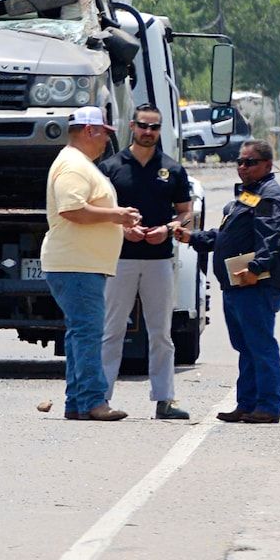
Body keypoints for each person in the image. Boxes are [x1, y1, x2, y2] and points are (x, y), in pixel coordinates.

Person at [176, 139, 280, 424]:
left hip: (256, 283)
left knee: (260, 345)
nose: (242, 167)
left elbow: (272, 238)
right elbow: (226, 235)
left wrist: (255, 268)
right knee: (246, 346)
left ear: (267, 165)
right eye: (240, 162)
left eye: (249, 162)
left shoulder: (270, 196)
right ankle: (248, 403)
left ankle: (268, 405)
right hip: (237, 284)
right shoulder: (248, 195)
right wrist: (194, 238)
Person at [42, 106, 143, 422]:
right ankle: (92, 401)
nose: (107, 141)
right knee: (87, 332)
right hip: (77, 263)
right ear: (90, 131)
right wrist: (117, 216)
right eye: (105, 133)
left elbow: (83, 211)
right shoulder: (74, 166)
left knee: (80, 332)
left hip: (79, 262)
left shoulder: (79, 164)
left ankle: (78, 402)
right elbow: (72, 210)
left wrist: (120, 226)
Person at [98, 104, 194, 420]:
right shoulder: (111, 167)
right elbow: (97, 213)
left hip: (158, 260)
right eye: (143, 126)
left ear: (160, 130)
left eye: (154, 127)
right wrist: (124, 229)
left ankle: (164, 400)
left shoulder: (172, 169)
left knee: (161, 333)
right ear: (132, 126)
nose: (148, 132)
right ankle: (100, 397)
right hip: (120, 259)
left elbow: (186, 212)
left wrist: (167, 229)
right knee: (112, 331)